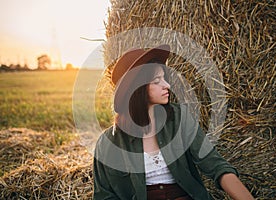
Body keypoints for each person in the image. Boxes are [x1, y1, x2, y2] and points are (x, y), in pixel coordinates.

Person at [93, 44, 254, 200]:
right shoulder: (108, 143)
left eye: (164, 78)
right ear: (137, 88)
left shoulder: (180, 118)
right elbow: (104, 196)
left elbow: (215, 165)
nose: (167, 85)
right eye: (157, 81)